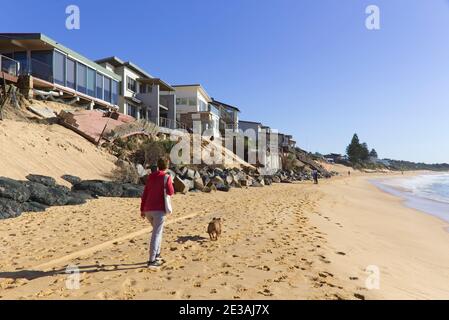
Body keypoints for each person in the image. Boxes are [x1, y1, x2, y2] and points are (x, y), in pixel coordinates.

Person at [140, 157, 174, 268]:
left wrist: (142, 209)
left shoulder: (150, 177)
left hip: (148, 209)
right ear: (167, 166)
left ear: (158, 166)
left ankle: (157, 255)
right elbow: (171, 191)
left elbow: (145, 193)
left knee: (157, 232)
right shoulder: (166, 177)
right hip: (159, 210)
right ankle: (152, 260)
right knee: (156, 234)